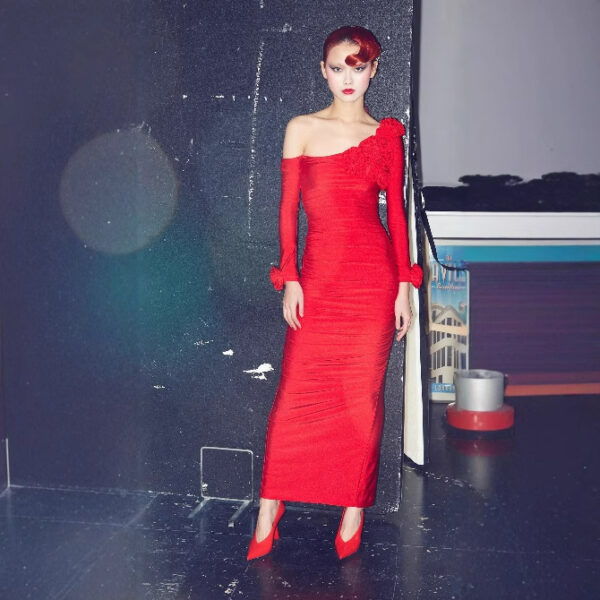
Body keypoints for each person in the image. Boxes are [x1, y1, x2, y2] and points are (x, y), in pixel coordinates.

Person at [247, 25, 423, 561]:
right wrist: (291, 277)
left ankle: (352, 512)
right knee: (294, 399)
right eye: (339, 67)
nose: (349, 77)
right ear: (323, 71)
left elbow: (395, 218)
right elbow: (286, 211)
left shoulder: (387, 137)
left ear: (375, 70)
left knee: (360, 401)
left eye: (360, 66)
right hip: (319, 282)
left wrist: (402, 289)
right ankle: (268, 508)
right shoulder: (300, 127)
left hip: (372, 284)